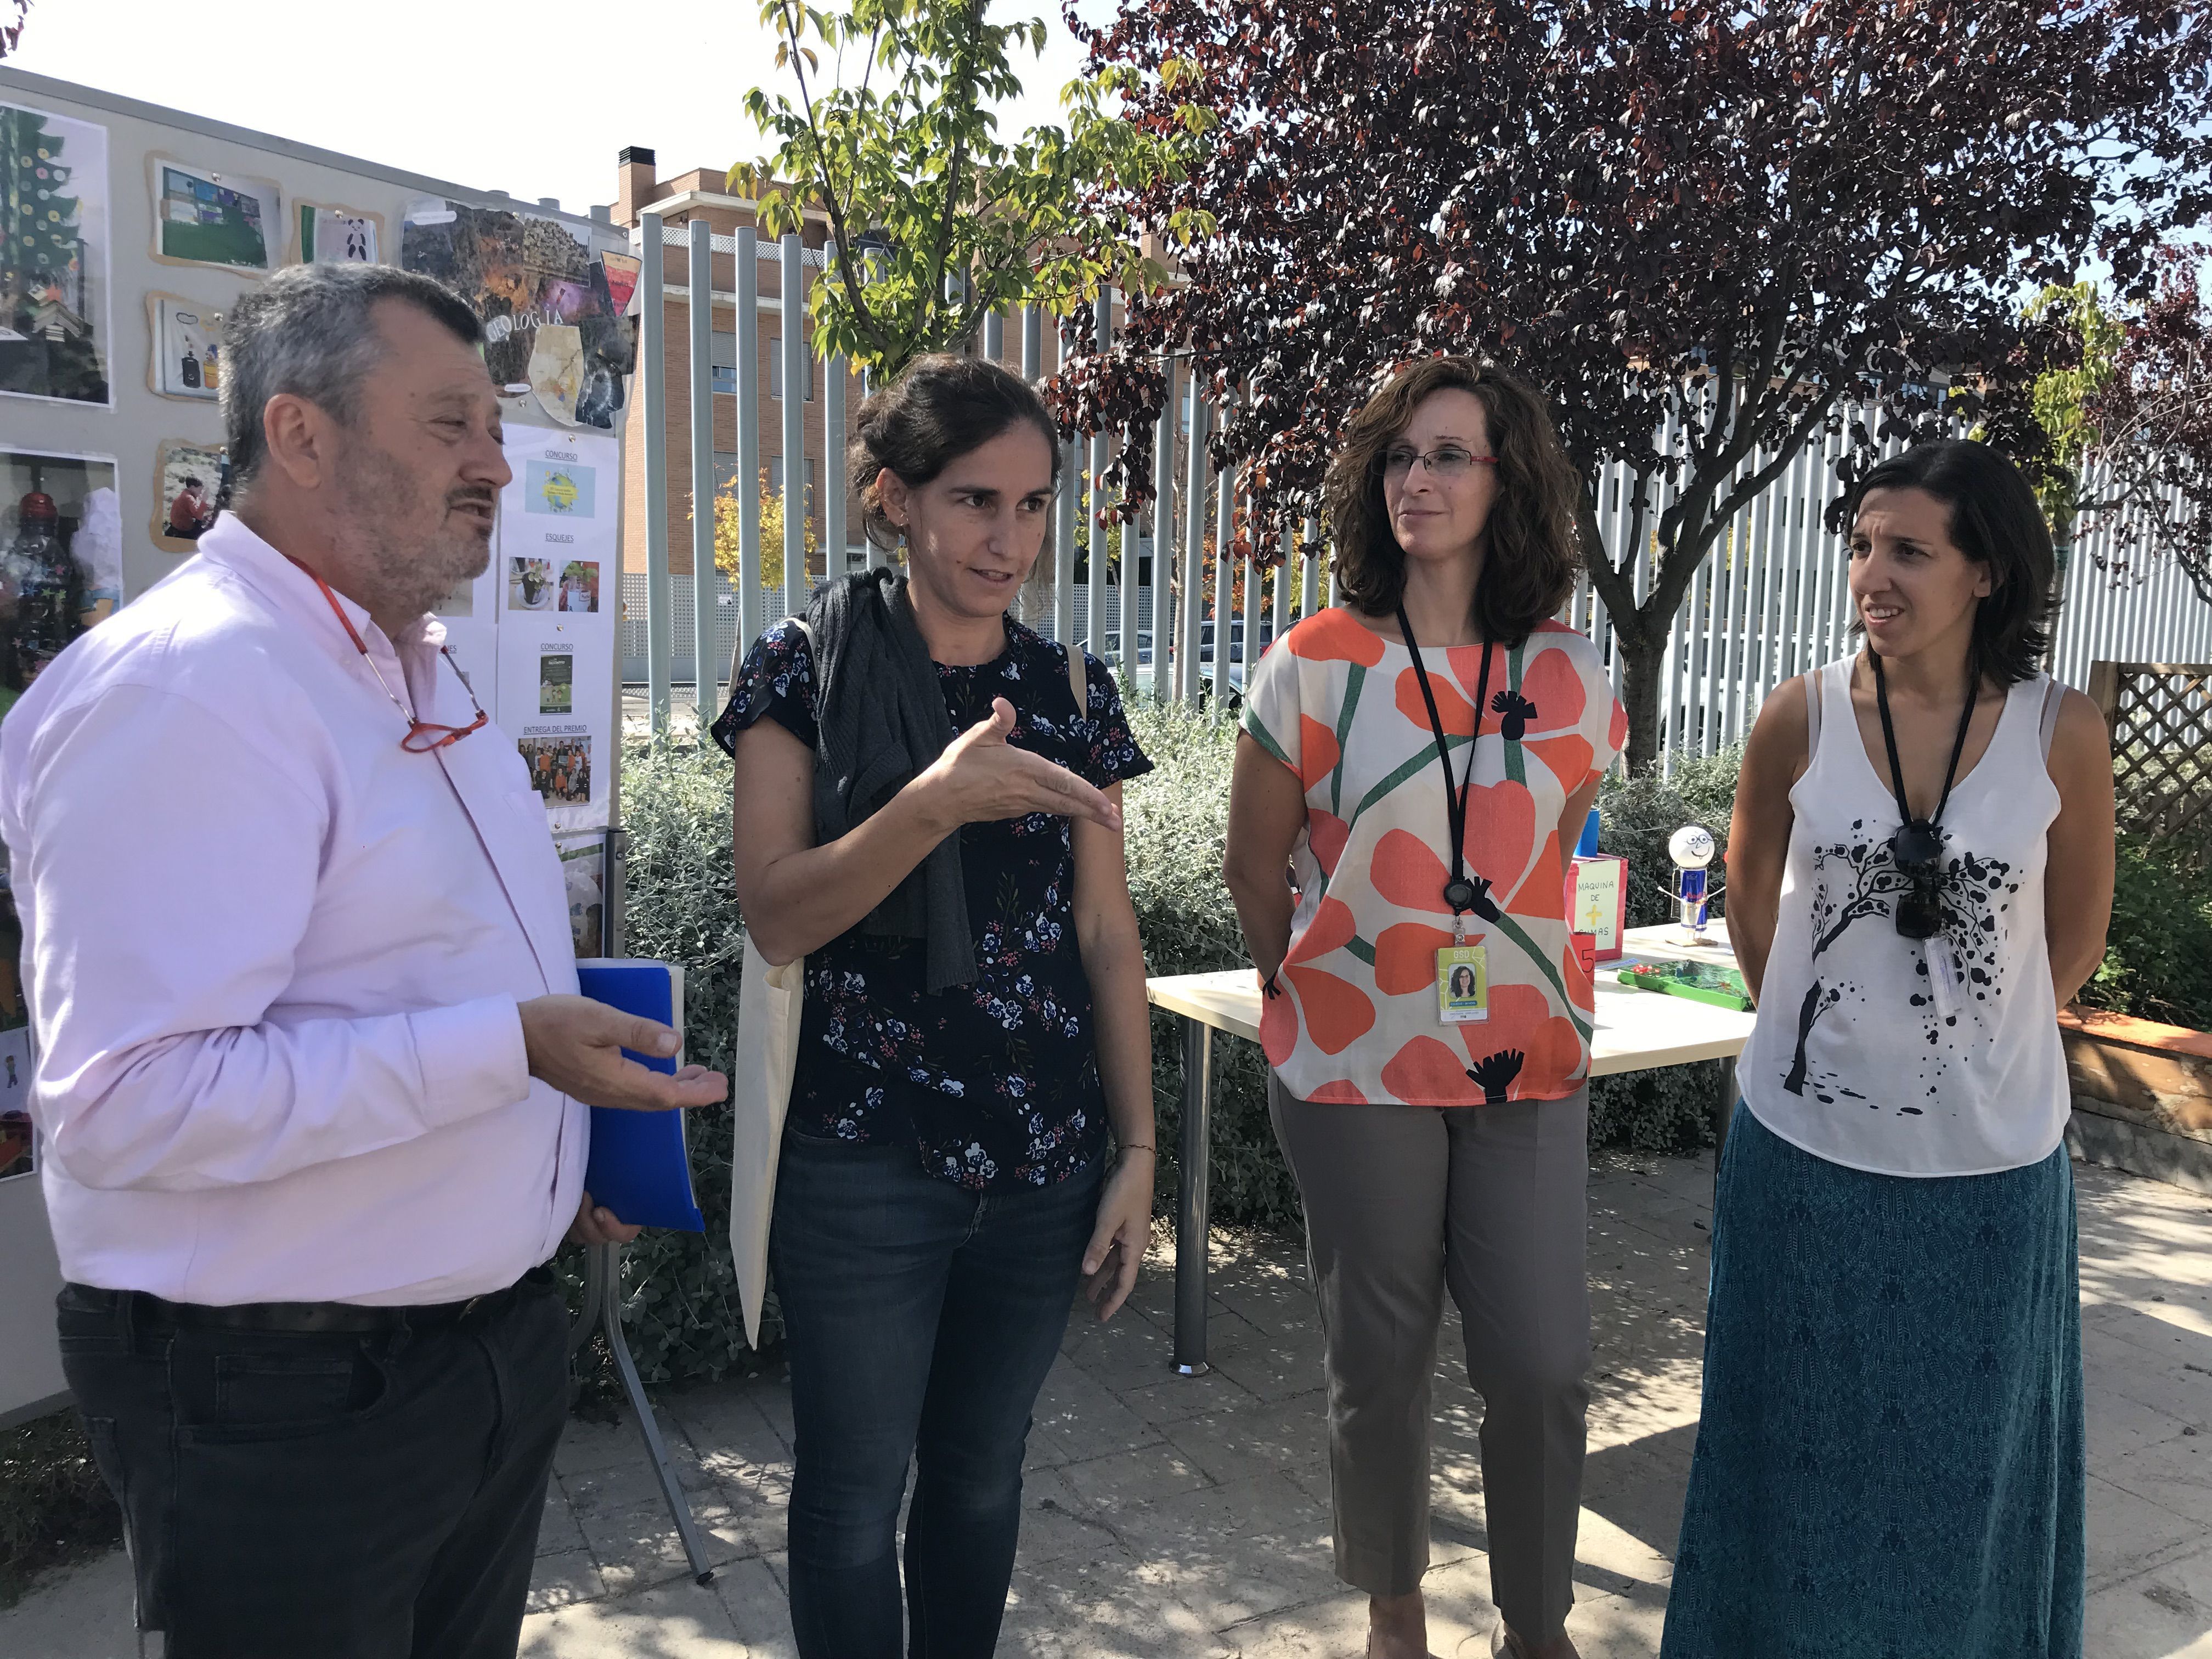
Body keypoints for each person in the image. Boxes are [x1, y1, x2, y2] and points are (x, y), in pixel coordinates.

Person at [3, 263, 727, 1657]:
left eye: (493, 427)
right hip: (280, 1402)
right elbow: (123, 1104)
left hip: (465, 1359)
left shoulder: (405, 662)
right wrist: (506, 1054)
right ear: (302, 435)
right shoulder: (191, 691)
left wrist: (548, 1164)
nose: (498, 463)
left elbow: (402, 979)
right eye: (452, 422)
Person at [716, 353, 1158, 1659]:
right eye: (975, 500)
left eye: (1032, 505)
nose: (1007, 537)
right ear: (894, 498)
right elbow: (780, 914)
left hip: (1041, 1168)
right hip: (863, 1164)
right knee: (853, 1502)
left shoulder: (1073, 696)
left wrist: (1136, 1150)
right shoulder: (800, 672)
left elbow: (1105, 935)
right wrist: (934, 803)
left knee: (978, 1479)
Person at [1660, 438, 2114, 1658]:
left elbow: (2070, 943)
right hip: (1804, 1161)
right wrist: (1831, 1038)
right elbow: (1752, 901)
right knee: (1785, 1456)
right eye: (1862, 544)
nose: (1874, 572)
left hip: (1993, 1178)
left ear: (1987, 572)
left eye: (1909, 549)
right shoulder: (1799, 716)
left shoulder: (2061, 734)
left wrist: (1966, 1051)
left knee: (1971, 1475)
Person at [1225, 357, 1626, 1659]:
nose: (1419, 478)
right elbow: (1251, 866)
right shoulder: (1313, 663)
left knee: (1543, 1364)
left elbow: (1560, 861)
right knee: (1380, 1368)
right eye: (1401, 456)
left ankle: (1536, 1623)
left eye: (1450, 454)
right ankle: (1395, 1609)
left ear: (1508, 481)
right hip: (1355, 1064)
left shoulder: (1574, 677)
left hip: (1529, 1067)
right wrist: (1321, 987)